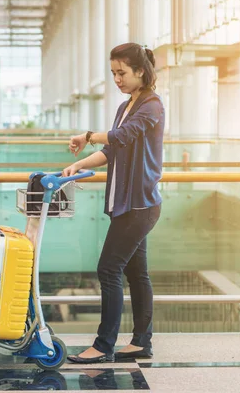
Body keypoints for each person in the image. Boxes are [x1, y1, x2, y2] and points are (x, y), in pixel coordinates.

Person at [64, 43, 164, 364]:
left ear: (140, 71)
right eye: (113, 74)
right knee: (137, 273)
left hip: (140, 206)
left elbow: (121, 137)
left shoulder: (152, 105)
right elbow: (113, 151)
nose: (117, 79)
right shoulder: (125, 107)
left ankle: (104, 344)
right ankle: (140, 342)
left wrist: (88, 134)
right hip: (127, 205)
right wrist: (80, 165)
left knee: (108, 269)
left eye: (122, 73)